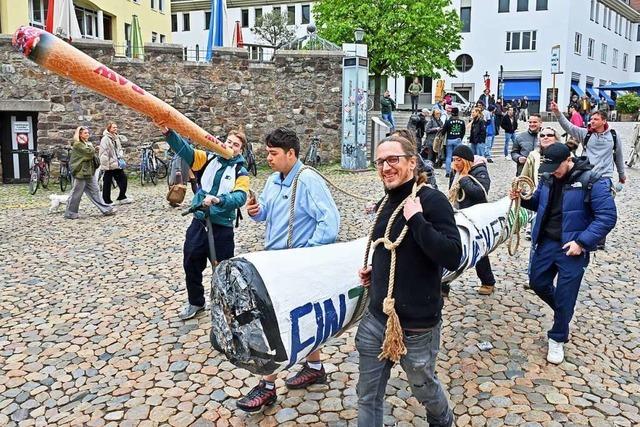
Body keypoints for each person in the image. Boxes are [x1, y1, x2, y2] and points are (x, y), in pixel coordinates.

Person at [357, 133, 462, 427]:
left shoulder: (431, 200)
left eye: (393, 159)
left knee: (423, 386)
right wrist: (374, 274)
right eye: (380, 162)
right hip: (378, 318)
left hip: (416, 325)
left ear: (412, 162)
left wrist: (417, 219)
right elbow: (391, 248)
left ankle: (442, 419)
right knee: (367, 394)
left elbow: (453, 255)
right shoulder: (386, 201)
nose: (385, 167)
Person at [238, 127, 340, 412]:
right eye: (267, 153)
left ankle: (267, 385)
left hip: (296, 265)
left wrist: (306, 255)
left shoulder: (308, 180)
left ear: (291, 153)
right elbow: (266, 215)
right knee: (303, 318)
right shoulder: (273, 180)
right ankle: (315, 366)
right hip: (276, 262)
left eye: (273, 153)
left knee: (274, 323)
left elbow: (330, 222)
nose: (268, 158)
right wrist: (257, 211)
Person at [509, 143, 616, 364]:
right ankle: (564, 309)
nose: (554, 172)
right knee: (537, 283)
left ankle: (558, 337)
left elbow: (607, 217)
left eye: (557, 168)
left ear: (569, 160)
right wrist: (524, 198)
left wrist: (582, 242)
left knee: (566, 295)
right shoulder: (548, 177)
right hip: (547, 242)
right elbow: (540, 203)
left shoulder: (592, 180)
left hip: (573, 248)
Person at [157, 124, 250, 320]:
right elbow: (185, 150)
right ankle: (196, 302)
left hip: (222, 227)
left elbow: (240, 196)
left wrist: (220, 200)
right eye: (229, 142)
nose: (230, 146)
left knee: (223, 268)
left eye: (235, 145)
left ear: (240, 150)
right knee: (191, 259)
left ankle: (228, 307)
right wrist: (168, 133)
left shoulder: (240, 171)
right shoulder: (207, 159)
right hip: (199, 221)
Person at [447, 144, 494, 295]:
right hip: (458, 213)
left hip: (476, 217)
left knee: (479, 249)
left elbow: (480, 192)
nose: (455, 163)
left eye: (459, 160)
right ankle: (443, 284)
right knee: (449, 248)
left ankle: (488, 281)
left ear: (466, 161)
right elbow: (452, 191)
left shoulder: (480, 170)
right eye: (454, 159)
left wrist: (464, 179)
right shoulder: (456, 171)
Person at [551, 101, 626, 186]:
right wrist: (557, 112)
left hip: (605, 176)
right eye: (591, 119)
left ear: (604, 121)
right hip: (586, 173)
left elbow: (618, 155)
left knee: (602, 199)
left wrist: (621, 175)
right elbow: (569, 127)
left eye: (596, 119)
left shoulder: (614, 135)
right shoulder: (585, 133)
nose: (592, 121)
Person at [65, 126, 116, 219]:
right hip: (81, 172)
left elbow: (90, 153)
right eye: (85, 133)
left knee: (95, 191)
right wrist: (93, 148)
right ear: (80, 134)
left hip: (89, 171)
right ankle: (70, 212)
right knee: (77, 193)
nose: (87, 134)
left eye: (88, 132)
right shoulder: (78, 144)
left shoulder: (87, 143)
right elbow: (88, 153)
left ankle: (106, 209)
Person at [520, 127, 561, 241]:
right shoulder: (534, 155)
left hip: (558, 197)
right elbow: (525, 175)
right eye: (542, 135)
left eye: (549, 135)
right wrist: (520, 191)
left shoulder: (565, 154)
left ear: (556, 138)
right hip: (539, 194)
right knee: (536, 233)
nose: (545, 137)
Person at [99, 122, 132, 205]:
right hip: (109, 165)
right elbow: (103, 153)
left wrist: (120, 154)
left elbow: (119, 148)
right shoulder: (105, 139)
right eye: (113, 127)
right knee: (107, 183)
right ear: (109, 128)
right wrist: (105, 166)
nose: (115, 129)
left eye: (116, 127)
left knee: (123, 179)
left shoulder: (116, 138)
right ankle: (106, 201)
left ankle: (122, 197)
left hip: (117, 164)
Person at [441, 107, 466, 177]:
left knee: (449, 156)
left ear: (451, 113)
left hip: (449, 140)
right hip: (458, 139)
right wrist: (460, 137)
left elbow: (443, 131)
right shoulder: (462, 122)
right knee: (457, 157)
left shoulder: (448, 121)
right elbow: (463, 131)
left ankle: (448, 172)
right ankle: (457, 171)